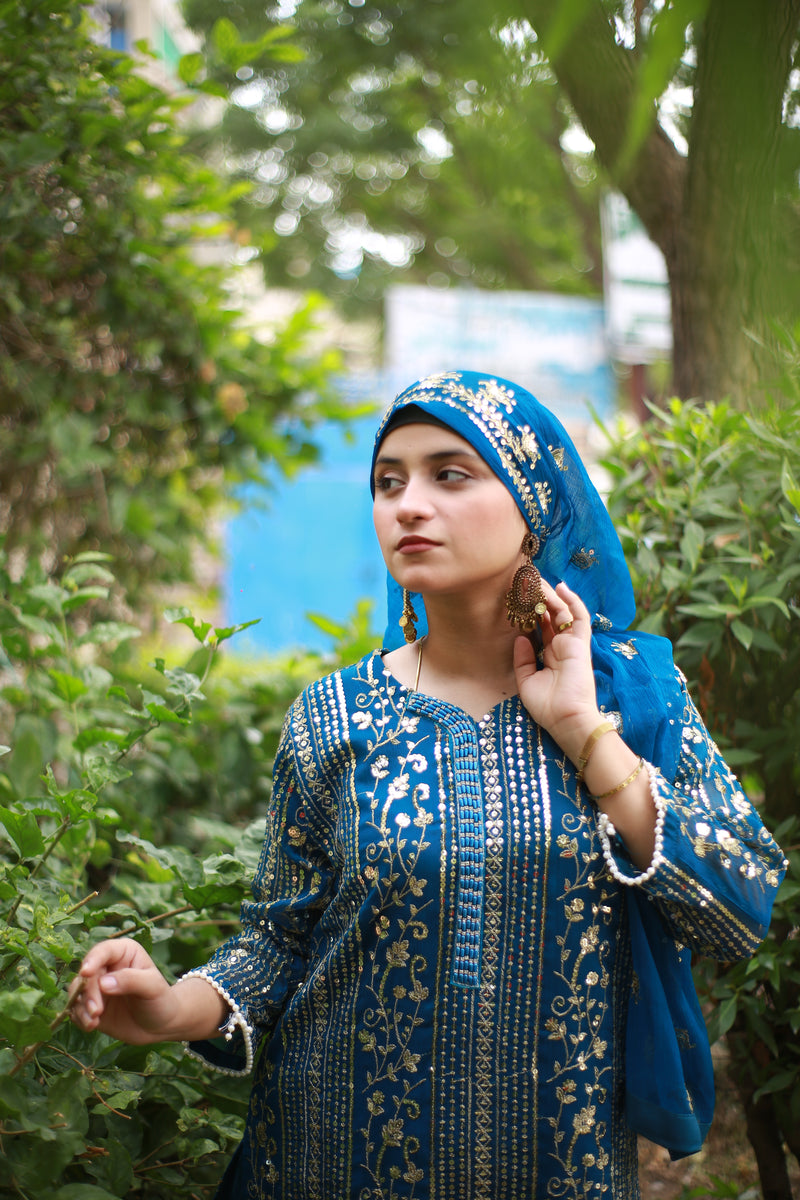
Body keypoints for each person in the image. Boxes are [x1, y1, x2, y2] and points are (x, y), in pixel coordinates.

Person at [72, 370, 786, 1200]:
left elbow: (742, 905)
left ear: (534, 503)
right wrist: (167, 1010)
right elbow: (278, 941)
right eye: (388, 481)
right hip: (332, 1164)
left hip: (558, 1171)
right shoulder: (334, 715)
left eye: (452, 473)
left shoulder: (633, 699)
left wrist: (585, 734)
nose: (409, 504)